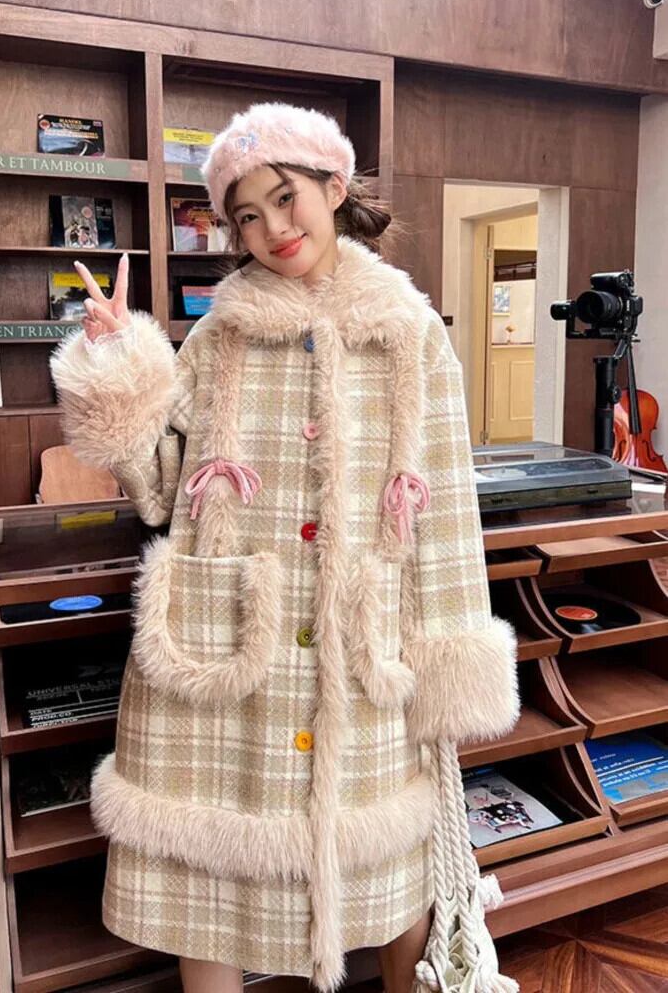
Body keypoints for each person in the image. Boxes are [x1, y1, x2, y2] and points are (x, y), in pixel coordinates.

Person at [49, 102, 520, 993]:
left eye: (284, 198)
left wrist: (450, 663)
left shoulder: (412, 332)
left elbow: (449, 508)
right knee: (203, 882)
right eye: (246, 216)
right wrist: (118, 367)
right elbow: (159, 487)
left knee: (390, 864)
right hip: (228, 651)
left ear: (334, 188)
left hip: (363, 652)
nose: (271, 228)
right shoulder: (218, 333)